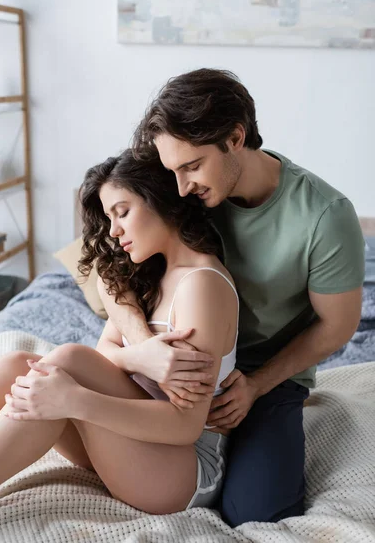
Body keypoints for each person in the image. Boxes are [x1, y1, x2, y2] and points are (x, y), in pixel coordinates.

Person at [103, 68, 365, 526]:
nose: (182, 187)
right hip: (178, 361)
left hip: (264, 375)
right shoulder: (180, 186)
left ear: (235, 137)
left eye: (192, 166)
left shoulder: (325, 215)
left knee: (256, 514)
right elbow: (112, 271)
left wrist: (256, 385)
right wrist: (142, 345)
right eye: (173, 170)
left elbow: (338, 325)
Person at [0, 149, 240, 514]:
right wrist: (137, 356)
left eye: (123, 213)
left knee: (69, 360)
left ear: (159, 199)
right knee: (18, 364)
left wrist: (73, 400)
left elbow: (185, 427)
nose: (114, 231)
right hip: (130, 441)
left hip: (180, 471)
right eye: (109, 218)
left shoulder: (201, 286)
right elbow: (107, 352)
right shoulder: (147, 272)